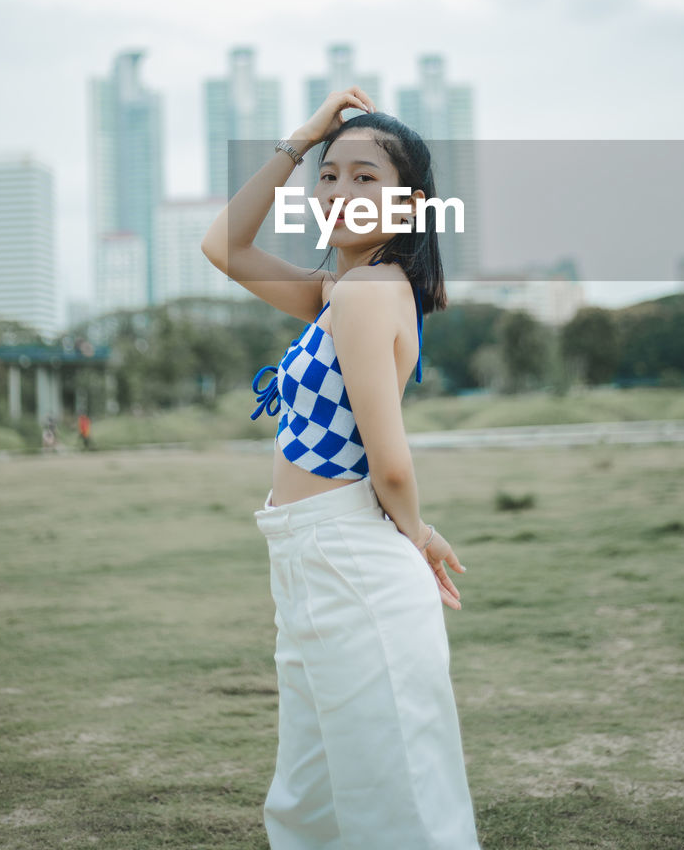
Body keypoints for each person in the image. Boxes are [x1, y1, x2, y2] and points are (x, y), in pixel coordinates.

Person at [201, 86, 481, 850]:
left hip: (349, 560)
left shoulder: (363, 294)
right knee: (310, 802)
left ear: (411, 205)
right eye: (329, 175)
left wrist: (415, 533)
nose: (339, 191)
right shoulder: (343, 290)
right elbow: (223, 249)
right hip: (312, 556)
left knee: (399, 805)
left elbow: (390, 465)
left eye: (366, 179)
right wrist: (300, 139)